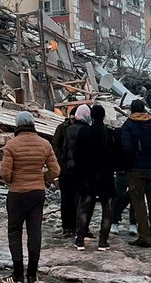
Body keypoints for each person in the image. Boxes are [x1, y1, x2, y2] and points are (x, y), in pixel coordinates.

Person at [0, 111, 60, 283]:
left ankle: (17, 274)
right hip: (37, 193)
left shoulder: (11, 145)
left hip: (17, 194)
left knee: (14, 232)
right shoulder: (45, 144)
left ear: (17, 125)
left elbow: (4, 173)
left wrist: (13, 180)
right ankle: (32, 275)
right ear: (33, 124)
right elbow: (55, 171)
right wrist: (42, 179)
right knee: (35, 231)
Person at [121, 99, 151, 247]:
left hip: (136, 169)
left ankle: (144, 237)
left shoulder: (128, 125)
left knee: (138, 203)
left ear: (131, 109)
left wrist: (128, 165)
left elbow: (125, 148)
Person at [75, 104, 116, 251]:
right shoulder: (110, 134)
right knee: (107, 209)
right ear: (104, 117)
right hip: (106, 177)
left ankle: (80, 239)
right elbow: (116, 156)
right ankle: (103, 241)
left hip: (88, 176)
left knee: (84, 207)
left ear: (91, 116)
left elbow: (77, 155)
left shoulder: (84, 132)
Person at [63, 105, 92, 251]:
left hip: (69, 168)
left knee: (70, 198)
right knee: (83, 201)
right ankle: (81, 229)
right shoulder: (87, 130)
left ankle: (70, 227)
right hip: (83, 169)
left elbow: (64, 147)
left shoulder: (68, 129)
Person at [52, 107, 79, 238]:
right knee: (66, 199)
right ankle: (67, 226)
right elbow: (55, 144)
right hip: (65, 169)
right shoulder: (62, 128)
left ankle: (76, 225)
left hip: (77, 169)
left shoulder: (82, 128)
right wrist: (62, 157)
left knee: (77, 199)